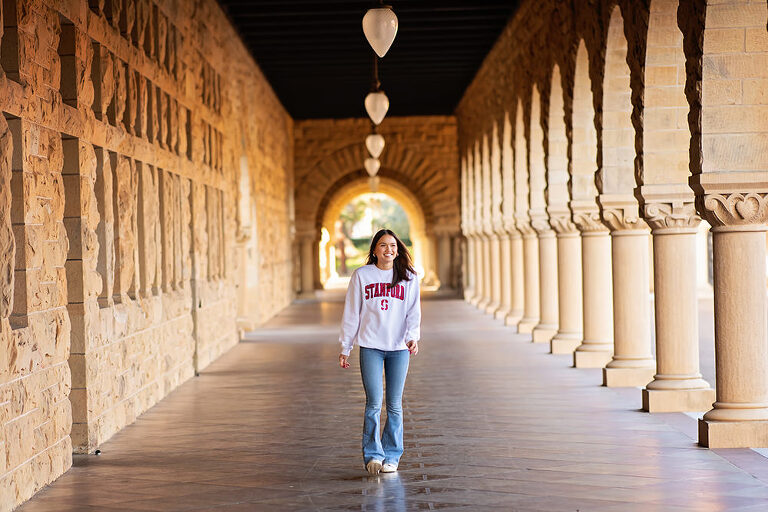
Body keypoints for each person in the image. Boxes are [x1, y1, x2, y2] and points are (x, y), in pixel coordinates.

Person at [339, 228, 421, 475]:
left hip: (399, 348)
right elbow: (352, 313)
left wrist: (412, 337)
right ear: (374, 249)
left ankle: (392, 455)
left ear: (398, 250)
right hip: (371, 346)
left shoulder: (408, 277)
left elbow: (413, 312)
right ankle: (373, 455)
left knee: (394, 404)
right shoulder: (362, 276)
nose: (389, 250)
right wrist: (346, 346)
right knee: (374, 403)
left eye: (393, 246)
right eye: (383, 245)